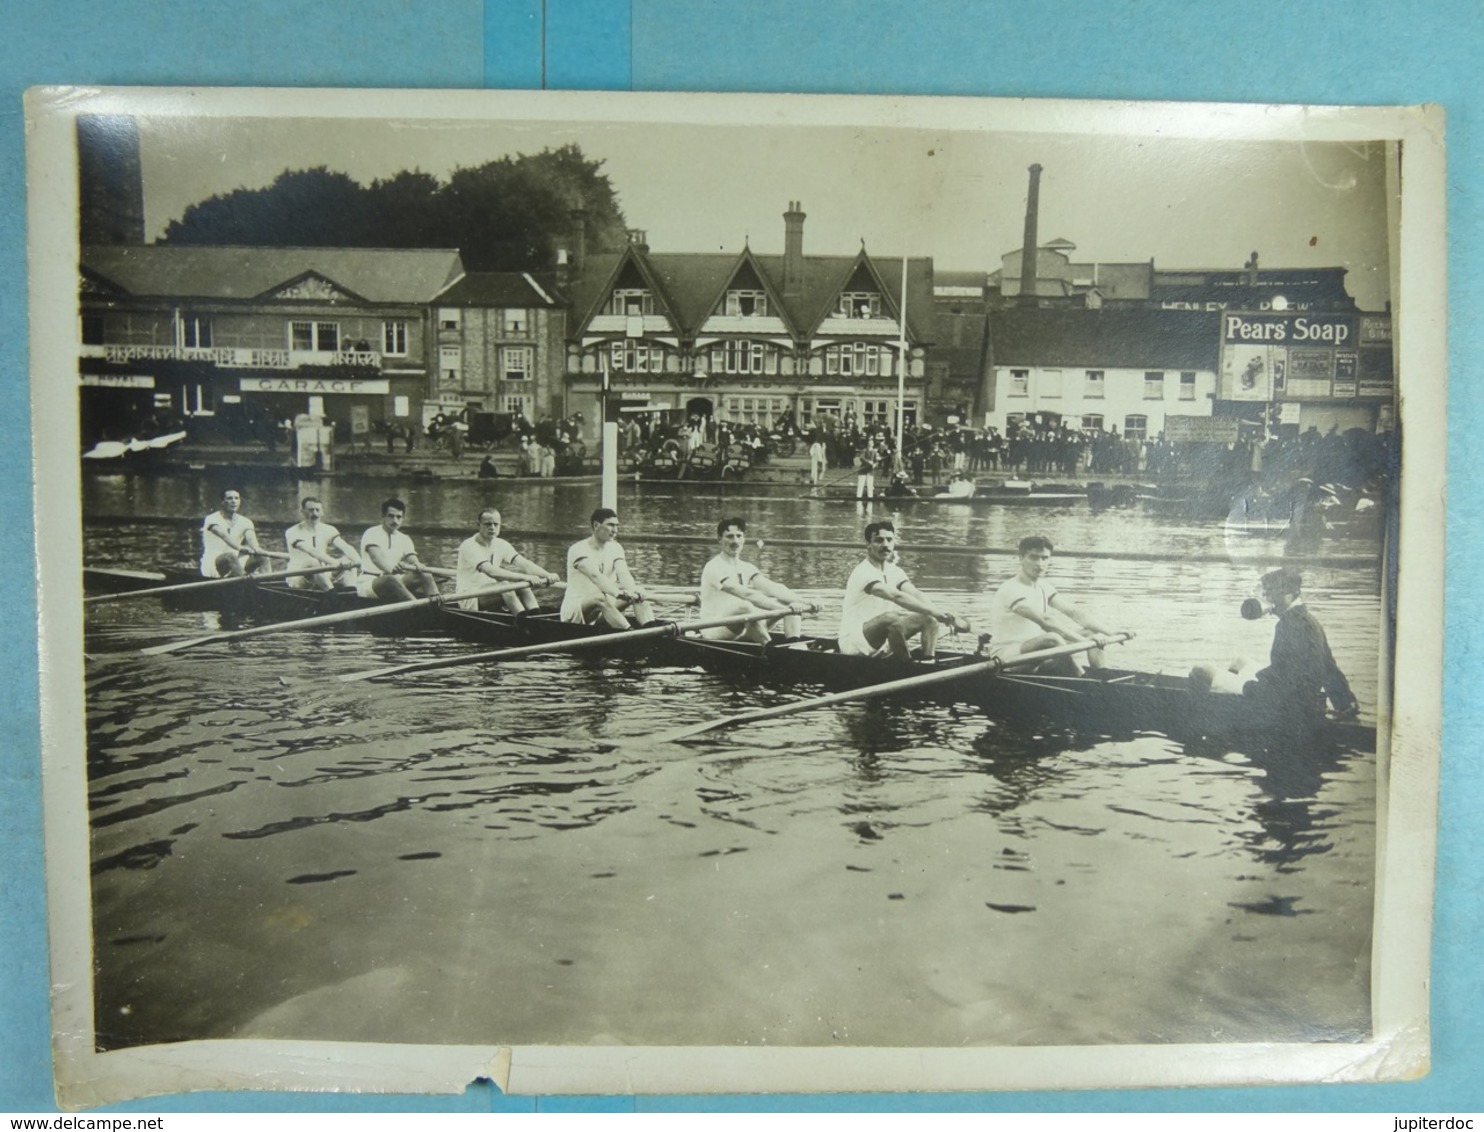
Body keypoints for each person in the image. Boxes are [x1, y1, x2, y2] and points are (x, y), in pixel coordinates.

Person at [1213, 567, 1359, 717]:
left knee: (1203, 671)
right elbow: (1328, 667)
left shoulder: (1289, 624)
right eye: (1266, 593)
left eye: (1271, 592)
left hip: (1288, 703)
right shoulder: (1309, 620)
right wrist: (1345, 703)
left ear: (1289, 594)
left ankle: (1225, 712)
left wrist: (1252, 684)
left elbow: (1283, 680)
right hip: (1302, 697)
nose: (1267, 598)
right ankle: (1228, 700)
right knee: (1239, 662)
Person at [838, 520, 970, 660]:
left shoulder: (895, 571)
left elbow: (914, 593)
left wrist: (941, 614)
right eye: (879, 540)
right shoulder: (862, 572)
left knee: (929, 619)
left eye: (889, 540)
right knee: (892, 618)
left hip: (882, 639)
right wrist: (933, 611)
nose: (885, 545)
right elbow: (895, 596)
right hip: (855, 643)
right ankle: (908, 668)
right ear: (868, 544)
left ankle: (928, 663)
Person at [988, 534, 1121, 672]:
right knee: (1053, 639)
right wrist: (1085, 643)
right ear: (1021, 558)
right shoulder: (1010, 588)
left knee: (1092, 632)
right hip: (1007, 658)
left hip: (1036, 653)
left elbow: (1074, 612)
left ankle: (1103, 678)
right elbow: (1045, 621)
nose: (1040, 564)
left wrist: (1110, 633)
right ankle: (1081, 677)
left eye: (1044, 558)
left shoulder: (1044, 587)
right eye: (1033, 557)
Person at [698, 518, 807, 642]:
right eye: (729, 537)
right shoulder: (713, 567)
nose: (735, 541)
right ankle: (769, 649)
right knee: (744, 607)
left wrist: (803, 602)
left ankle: (794, 645)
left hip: (745, 623)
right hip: (715, 629)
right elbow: (746, 594)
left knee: (788, 601)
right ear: (719, 540)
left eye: (739, 536)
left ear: (744, 539)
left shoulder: (747, 567)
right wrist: (783, 611)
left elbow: (773, 587)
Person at [560, 508, 656, 629]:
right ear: (596, 525)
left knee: (637, 591)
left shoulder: (616, 548)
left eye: (617, 526)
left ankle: (653, 633)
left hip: (603, 609)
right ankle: (630, 634)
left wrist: (633, 591)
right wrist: (617, 593)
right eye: (610, 525)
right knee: (599, 597)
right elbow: (595, 576)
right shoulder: (578, 549)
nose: (615, 530)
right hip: (574, 611)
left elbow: (624, 574)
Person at [454, 508, 561, 613]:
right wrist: (527, 577)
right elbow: (492, 572)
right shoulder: (469, 546)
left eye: (496, 524)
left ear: (500, 525)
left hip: (490, 591)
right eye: (488, 524)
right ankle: (523, 621)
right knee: (506, 585)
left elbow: (525, 564)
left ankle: (536, 617)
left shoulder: (501, 544)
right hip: (469, 596)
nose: (492, 528)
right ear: (478, 525)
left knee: (521, 584)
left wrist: (547, 575)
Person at [357, 497, 440, 602]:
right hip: (369, 583)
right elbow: (376, 558)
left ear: (403, 518)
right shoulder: (371, 533)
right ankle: (419, 608)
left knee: (426, 575)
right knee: (391, 579)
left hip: (395, 581)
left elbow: (412, 558)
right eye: (391, 516)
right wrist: (391, 569)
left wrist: (417, 564)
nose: (395, 521)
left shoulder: (404, 538)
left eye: (398, 517)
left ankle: (438, 606)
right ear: (383, 516)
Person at [283, 497, 361, 590]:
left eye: (317, 510)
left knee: (348, 560)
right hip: (297, 576)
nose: (315, 514)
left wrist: (359, 562)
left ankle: (352, 594)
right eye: (311, 510)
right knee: (313, 562)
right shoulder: (293, 531)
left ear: (322, 512)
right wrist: (336, 563)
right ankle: (333, 595)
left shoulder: (329, 529)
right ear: (302, 512)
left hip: (324, 573)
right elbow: (312, 551)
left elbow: (345, 547)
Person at [199, 489, 281, 577]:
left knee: (262, 557)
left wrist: (258, 550)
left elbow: (253, 542)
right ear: (222, 502)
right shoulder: (212, 519)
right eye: (229, 498)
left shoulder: (246, 522)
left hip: (236, 563)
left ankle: (266, 581)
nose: (234, 501)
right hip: (213, 564)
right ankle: (245, 584)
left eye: (236, 498)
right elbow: (224, 536)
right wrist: (240, 548)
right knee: (230, 556)